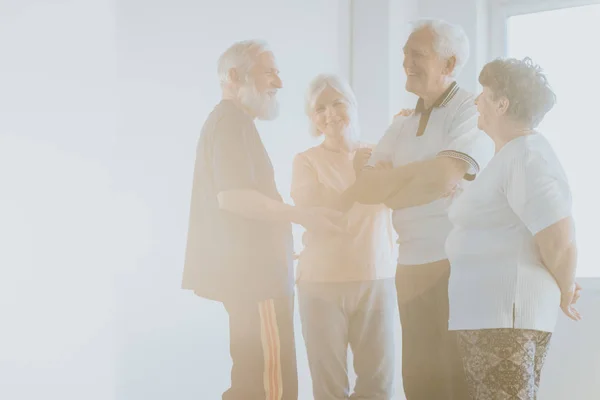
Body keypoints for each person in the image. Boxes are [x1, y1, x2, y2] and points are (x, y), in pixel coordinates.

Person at [339, 19, 495, 399]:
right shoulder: (404, 122)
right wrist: (412, 181)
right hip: (409, 267)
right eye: (405, 53)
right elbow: (366, 187)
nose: (406, 61)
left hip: (456, 267)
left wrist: (395, 185)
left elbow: (443, 177)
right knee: (419, 385)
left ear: (449, 63)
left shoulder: (472, 111)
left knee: (457, 384)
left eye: (417, 54)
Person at [181, 40, 342, 400]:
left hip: (253, 278)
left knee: (252, 382)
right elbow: (234, 197)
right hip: (257, 281)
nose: (279, 83)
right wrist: (303, 217)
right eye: (269, 72)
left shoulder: (231, 123)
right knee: (272, 387)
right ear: (235, 76)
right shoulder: (230, 122)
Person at [446, 57, 582, 400]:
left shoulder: (527, 155)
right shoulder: (510, 157)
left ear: (502, 104)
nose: (476, 100)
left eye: (484, 94)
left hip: (506, 318)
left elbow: (560, 237)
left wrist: (566, 289)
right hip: (491, 316)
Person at [291, 74, 397, 400]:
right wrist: (357, 177)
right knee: (330, 389)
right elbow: (322, 217)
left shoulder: (382, 154)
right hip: (321, 285)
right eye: (319, 108)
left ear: (352, 105)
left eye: (337, 102)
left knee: (378, 387)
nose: (330, 113)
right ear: (313, 120)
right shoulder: (306, 161)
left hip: (376, 278)